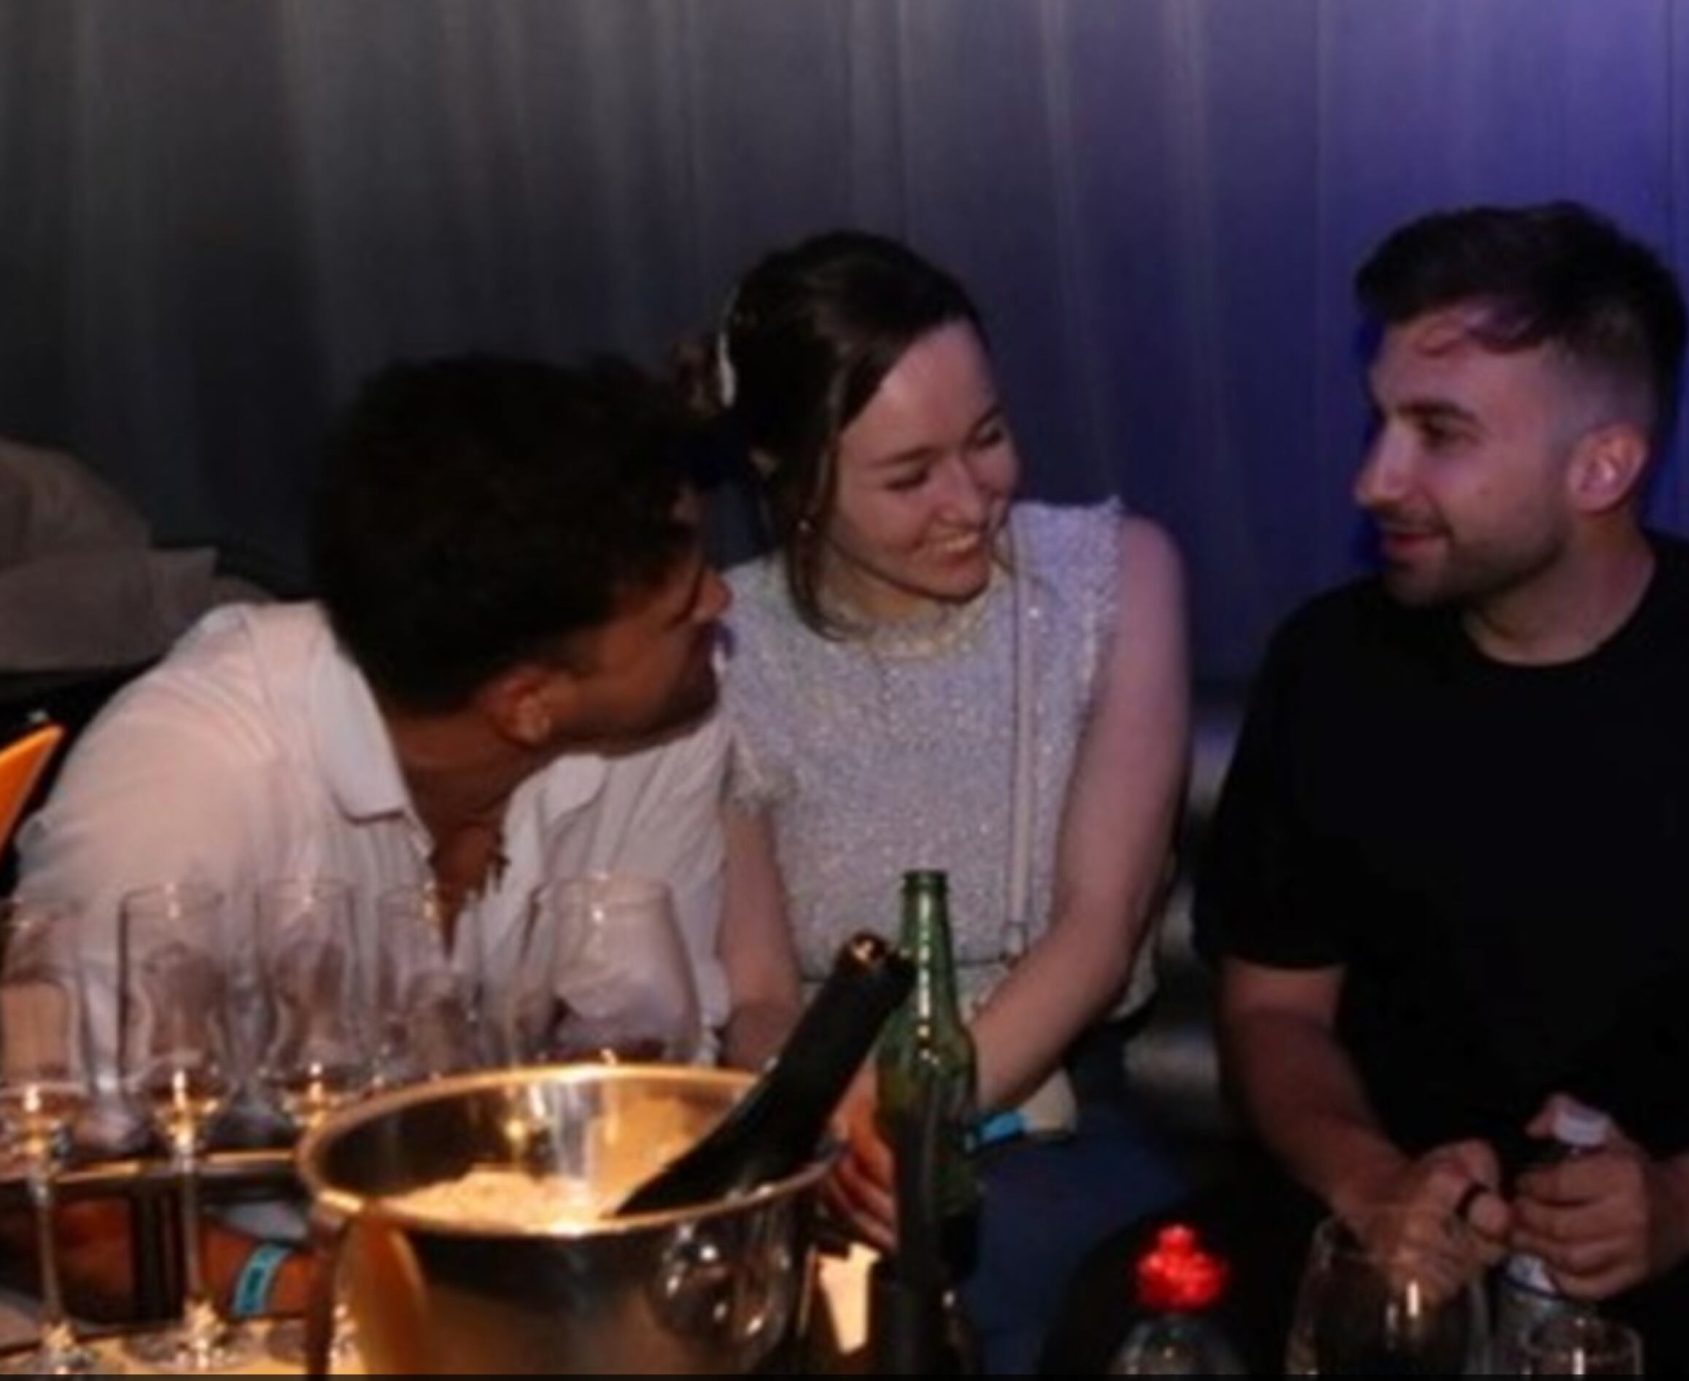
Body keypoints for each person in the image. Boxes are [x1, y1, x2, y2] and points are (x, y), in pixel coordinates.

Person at [1171, 201, 1689, 1374]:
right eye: (1379, 422)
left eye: (1438, 432)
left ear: (1602, 465)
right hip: (1372, 1221)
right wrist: (1373, 1186)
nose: (1374, 479)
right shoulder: (1329, 665)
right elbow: (1272, 1013)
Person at [7, 355, 798, 1320]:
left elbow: (634, 1096)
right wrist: (324, 1295)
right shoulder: (189, 786)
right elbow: (43, 1203)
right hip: (197, 1321)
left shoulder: (662, 724)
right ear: (527, 703)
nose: (721, 603)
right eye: (680, 606)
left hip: (508, 1290)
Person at [700, 229, 1192, 1374]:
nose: (971, 499)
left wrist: (913, 1125)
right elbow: (758, 994)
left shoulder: (1115, 575)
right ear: (787, 472)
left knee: (965, 1283)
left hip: (1053, 1112)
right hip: (823, 1125)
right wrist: (832, 1126)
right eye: (909, 475)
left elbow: (1099, 922)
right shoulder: (722, 639)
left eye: (988, 437)